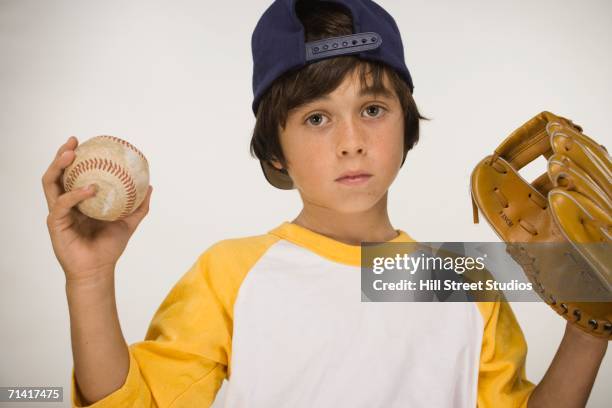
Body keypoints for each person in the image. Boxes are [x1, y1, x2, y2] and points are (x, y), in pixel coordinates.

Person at [42, 0, 607, 407]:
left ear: (405, 124)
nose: (351, 140)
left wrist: (591, 328)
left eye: (372, 108)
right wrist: (90, 282)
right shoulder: (231, 274)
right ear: (277, 151)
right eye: (317, 117)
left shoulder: (459, 279)